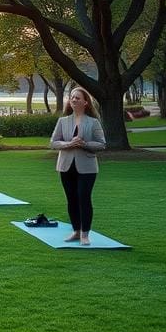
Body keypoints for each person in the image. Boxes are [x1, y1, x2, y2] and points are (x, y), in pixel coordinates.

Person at [50, 86, 106, 246]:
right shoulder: (63, 121)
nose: (74, 100)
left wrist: (84, 144)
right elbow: (53, 142)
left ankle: (85, 234)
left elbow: (102, 144)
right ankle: (75, 231)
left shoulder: (93, 122)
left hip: (87, 167)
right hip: (65, 166)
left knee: (84, 197)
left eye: (78, 98)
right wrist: (68, 144)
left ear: (85, 102)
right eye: (72, 97)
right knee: (71, 199)